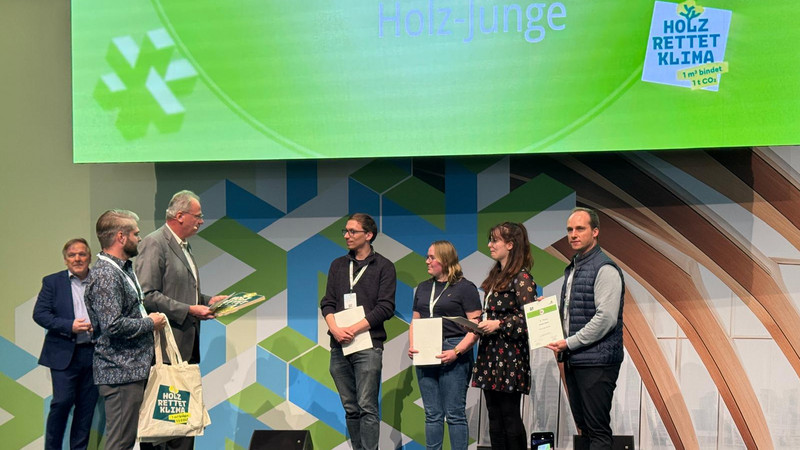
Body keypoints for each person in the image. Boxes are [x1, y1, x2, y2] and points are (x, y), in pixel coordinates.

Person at [136, 190, 225, 450]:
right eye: (198, 216)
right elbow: (147, 294)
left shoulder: (184, 246)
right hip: (164, 348)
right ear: (180, 216)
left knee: (182, 427)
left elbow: (181, 291)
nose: (201, 221)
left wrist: (208, 300)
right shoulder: (155, 243)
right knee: (162, 429)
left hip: (185, 346)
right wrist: (189, 310)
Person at [84, 209, 167, 450]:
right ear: (121, 237)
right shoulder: (107, 275)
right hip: (120, 371)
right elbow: (112, 325)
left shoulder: (121, 269)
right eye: (136, 234)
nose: (139, 239)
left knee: (128, 440)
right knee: (120, 442)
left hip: (131, 369)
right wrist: (150, 323)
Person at [547, 207, 624, 450]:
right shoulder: (574, 267)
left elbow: (606, 319)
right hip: (577, 359)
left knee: (597, 430)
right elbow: (577, 311)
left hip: (597, 362)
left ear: (595, 231)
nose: (573, 234)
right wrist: (547, 311)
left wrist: (569, 343)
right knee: (585, 429)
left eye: (580, 229)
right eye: (570, 229)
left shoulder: (605, 268)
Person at [320, 213, 396, 450]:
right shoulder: (338, 265)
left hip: (368, 344)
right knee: (350, 408)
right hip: (339, 344)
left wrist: (352, 329)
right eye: (345, 231)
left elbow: (385, 308)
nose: (346, 235)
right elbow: (327, 302)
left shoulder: (384, 266)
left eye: (352, 231)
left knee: (366, 407)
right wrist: (334, 329)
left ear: (369, 235)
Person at [408, 241, 482, 450]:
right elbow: (415, 321)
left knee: (454, 413)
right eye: (427, 257)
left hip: (454, 349)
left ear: (446, 259)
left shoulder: (465, 288)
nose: (427, 261)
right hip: (425, 350)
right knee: (432, 414)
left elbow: (476, 327)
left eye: (432, 257)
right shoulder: (423, 287)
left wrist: (457, 352)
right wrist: (413, 345)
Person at [472, 222, 537, 450]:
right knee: (494, 415)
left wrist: (499, 324)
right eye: (490, 240)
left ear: (510, 245)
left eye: (495, 240)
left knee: (509, 415)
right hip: (490, 353)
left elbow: (529, 317)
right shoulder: (496, 276)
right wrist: (478, 323)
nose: (490, 245)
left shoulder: (522, 278)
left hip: (510, 355)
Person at [33, 238, 99, 450]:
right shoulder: (52, 282)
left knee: (86, 409)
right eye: (72, 255)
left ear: (89, 257)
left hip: (94, 354)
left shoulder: (100, 281)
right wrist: (69, 325)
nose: (77, 259)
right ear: (65, 259)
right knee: (61, 403)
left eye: (82, 254)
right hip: (63, 353)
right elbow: (40, 314)